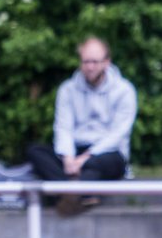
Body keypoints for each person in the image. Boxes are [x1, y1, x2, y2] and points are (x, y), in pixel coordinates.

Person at [26, 37, 137, 216]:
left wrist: (85, 159)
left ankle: (66, 191)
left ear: (107, 62)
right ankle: (81, 193)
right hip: (74, 153)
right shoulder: (67, 89)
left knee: (107, 162)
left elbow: (118, 134)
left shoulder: (124, 90)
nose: (90, 67)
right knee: (35, 151)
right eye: (86, 61)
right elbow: (63, 127)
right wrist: (68, 158)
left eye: (95, 61)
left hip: (104, 153)